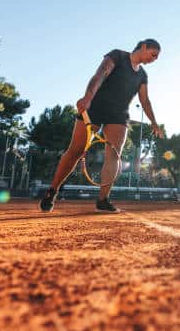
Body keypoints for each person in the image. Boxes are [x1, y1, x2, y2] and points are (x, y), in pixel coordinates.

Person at [40, 39, 163, 213]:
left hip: (118, 114)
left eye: (157, 57)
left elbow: (145, 100)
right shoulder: (118, 56)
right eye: (153, 54)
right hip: (94, 106)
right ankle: (52, 191)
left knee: (114, 154)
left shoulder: (142, 75)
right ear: (143, 47)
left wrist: (154, 122)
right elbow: (100, 74)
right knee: (75, 150)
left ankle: (103, 199)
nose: (155, 59)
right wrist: (88, 97)